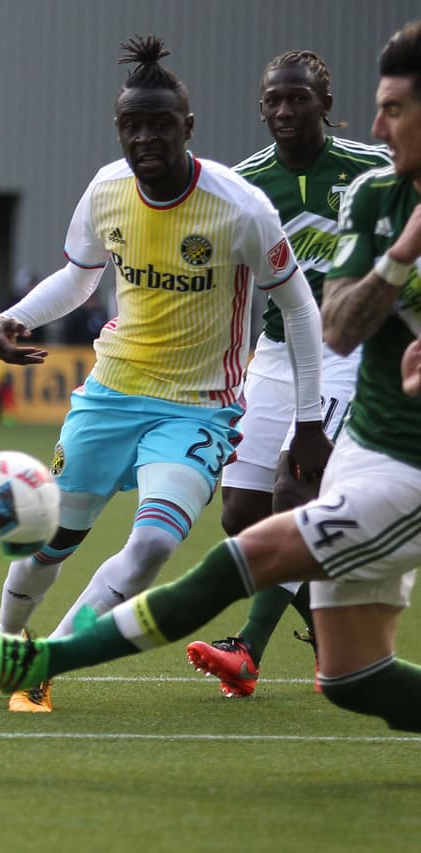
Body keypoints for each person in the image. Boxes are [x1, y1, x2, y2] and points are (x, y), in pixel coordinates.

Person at [0, 21, 421, 732]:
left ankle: (46, 661)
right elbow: (79, 277)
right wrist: (15, 316)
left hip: (198, 407)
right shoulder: (107, 189)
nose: (144, 138)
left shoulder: (240, 204)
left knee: (157, 542)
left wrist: (308, 416)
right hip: (109, 393)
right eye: (131, 126)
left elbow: (302, 310)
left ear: (189, 127)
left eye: (159, 125)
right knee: (53, 537)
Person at [185, 52, 392, 699]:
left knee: (292, 491)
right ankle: (337, 635)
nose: (283, 111)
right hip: (274, 357)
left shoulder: (372, 169)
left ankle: (246, 647)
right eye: (273, 100)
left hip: (347, 353)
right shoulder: (242, 185)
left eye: (297, 99)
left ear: (324, 105)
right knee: (239, 512)